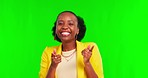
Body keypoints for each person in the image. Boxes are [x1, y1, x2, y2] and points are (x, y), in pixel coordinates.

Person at [39, 11, 104, 78]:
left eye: (70, 24)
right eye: (60, 23)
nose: (64, 27)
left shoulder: (90, 49)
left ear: (77, 30)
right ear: (56, 29)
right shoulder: (48, 52)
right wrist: (53, 66)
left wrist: (87, 63)